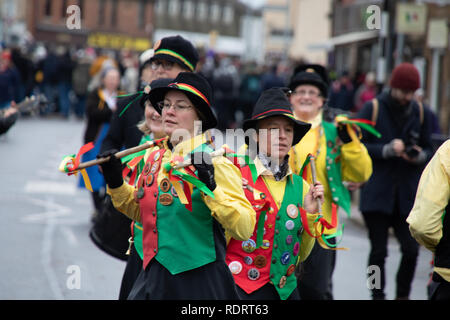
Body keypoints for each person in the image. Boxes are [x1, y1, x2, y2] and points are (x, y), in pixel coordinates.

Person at [98, 72, 256, 299]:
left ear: (199, 117)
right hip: (153, 277)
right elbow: (144, 213)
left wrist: (211, 188)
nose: (169, 111)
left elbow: (244, 227)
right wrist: (116, 184)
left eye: (181, 106)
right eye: (167, 105)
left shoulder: (215, 161)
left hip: (199, 284)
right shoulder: (154, 158)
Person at [95, 35, 200, 300]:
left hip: (182, 250)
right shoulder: (132, 102)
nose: (160, 69)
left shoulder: (198, 115)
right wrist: (112, 168)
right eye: (156, 63)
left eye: (170, 64)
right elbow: (112, 139)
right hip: (140, 233)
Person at [225, 87, 325, 300]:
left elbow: (300, 254)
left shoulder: (302, 187)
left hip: (285, 292)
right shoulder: (235, 176)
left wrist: (310, 214)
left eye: (288, 130)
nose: (282, 136)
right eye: (272, 129)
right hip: (238, 291)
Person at [288, 65, 373, 300]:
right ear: (291, 98)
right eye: (300, 91)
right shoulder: (277, 129)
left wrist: (351, 142)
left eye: (313, 92)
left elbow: (361, 174)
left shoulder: (334, 133)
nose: (306, 96)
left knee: (316, 292)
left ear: (322, 100)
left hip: (320, 228)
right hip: (281, 224)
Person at [356, 62, 434, 300]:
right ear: (394, 87)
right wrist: (385, 150)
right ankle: (376, 294)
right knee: (378, 252)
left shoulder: (422, 113)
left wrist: (419, 155)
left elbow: (434, 149)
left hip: (407, 196)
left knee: (411, 250)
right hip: (377, 193)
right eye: (404, 92)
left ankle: (402, 296)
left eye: (412, 93)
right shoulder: (373, 108)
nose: (407, 97)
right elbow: (355, 146)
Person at [406, 139, 450, 300]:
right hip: (381, 201)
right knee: (380, 253)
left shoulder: (447, 151)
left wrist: (444, 248)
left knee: (384, 252)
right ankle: (377, 291)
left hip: (447, 275)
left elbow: (423, 226)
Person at [80, 67, 121, 219]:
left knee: (111, 174)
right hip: (95, 139)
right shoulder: (95, 94)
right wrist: (112, 112)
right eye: (110, 78)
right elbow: (92, 113)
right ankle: (98, 207)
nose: (113, 81)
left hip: (114, 140)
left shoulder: (122, 96)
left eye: (116, 78)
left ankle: (106, 206)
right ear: (103, 79)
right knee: (93, 175)